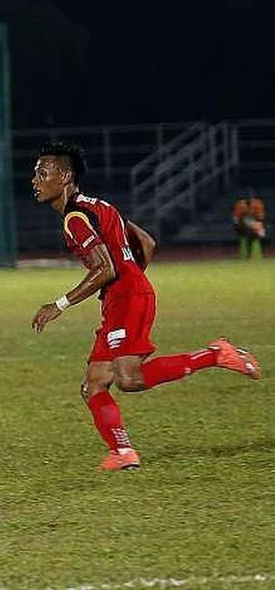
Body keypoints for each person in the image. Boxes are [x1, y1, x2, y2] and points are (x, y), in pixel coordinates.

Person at [30, 141, 262, 471]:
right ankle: (122, 452)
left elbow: (104, 268)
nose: (35, 180)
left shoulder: (75, 218)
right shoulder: (100, 206)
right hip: (125, 296)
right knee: (94, 383)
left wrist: (60, 304)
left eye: (42, 173)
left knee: (129, 379)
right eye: (35, 173)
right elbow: (147, 243)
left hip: (125, 298)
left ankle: (216, 354)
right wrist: (133, 281)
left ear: (65, 176)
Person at [232, 190, 266, 260]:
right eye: (247, 199)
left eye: (250, 198)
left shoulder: (258, 204)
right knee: (248, 235)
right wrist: (238, 226)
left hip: (256, 224)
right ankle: (248, 254)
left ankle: (261, 253)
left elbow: (260, 218)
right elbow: (236, 218)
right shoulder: (240, 205)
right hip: (242, 225)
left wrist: (257, 227)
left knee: (261, 235)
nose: (249, 200)